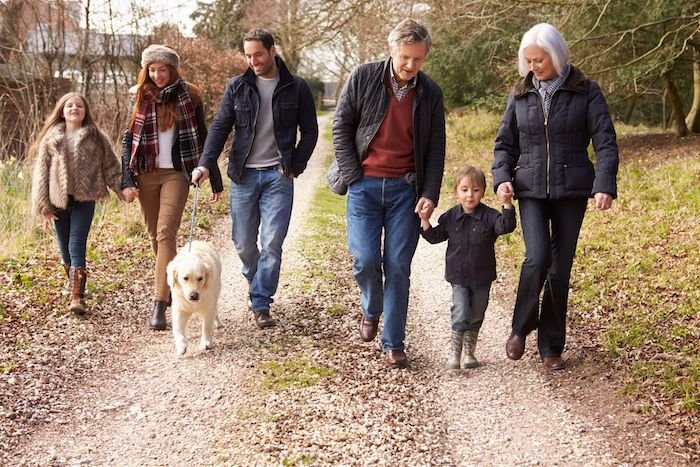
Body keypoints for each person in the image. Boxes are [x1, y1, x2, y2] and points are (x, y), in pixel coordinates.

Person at [492, 23, 618, 370]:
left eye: (540, 60)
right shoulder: (520, 93)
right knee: (537, 257)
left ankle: (551, 345)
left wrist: (604, 184)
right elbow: (504, 145)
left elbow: (604, 141)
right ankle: (520, 327)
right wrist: (502, 178)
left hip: (572, 189)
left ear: (557, 55)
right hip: (530, 189)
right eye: (529, 60)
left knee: (560, 269)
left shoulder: (586, 91)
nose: (534, 66)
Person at [332, 18, 446, 369]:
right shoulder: (364, 76)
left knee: (398, 266)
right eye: (406, 57)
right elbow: (341, 126)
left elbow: (436, 148)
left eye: (418, 59)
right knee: (365, 260)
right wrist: (353, 177)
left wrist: (429, 192)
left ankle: (393, 342)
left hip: (405, 191)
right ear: (392, 50)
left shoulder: (430, 93)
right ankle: (371, 307)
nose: (411, 66)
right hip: (364, 185)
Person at [192, 29, 318, 329]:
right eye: (248, 56)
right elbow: (221, 126)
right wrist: (205, 164)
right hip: (244, 175)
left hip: (278, 175)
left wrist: (296, 165)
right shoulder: (237, 86)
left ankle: (261, 302)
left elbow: (310, 131)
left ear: (272, 51)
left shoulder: (296, 87)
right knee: (243, 244)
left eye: (258, 54)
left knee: (272, 243)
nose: (253, 61)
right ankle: (256, 282)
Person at [121, 44, 224, 330]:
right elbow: (127, 139)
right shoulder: (139, 95)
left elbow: (204, 137)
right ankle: (173, 279)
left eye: (162, 69)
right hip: (145, 173)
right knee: (156, 237)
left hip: (177, 174)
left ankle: (159, 303)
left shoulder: (190, 95)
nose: (157, 75)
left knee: (166, 234)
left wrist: (214, 177)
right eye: (151, 70)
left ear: (173, 69)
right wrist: (126, 179)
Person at [30, 92, 124, 314]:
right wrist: (43, 206)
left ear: (85, 111)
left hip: (85, 199)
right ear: (62, 111)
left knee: (76, 243)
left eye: (79, 106)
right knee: (64, 250)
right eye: (69, 105)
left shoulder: (96, 137)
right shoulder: (52, 138)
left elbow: (110, 166)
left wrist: (123, 189)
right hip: (58, 201)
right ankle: (73, 283)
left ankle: (76, 297)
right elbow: (41, 172)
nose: (74, 109)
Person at [420, 166, 516, 369]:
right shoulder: (450, 217)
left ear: (483, 191)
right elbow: (435, 237)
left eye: (475, 190)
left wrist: (506, 204)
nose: (470, 195)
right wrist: (425, 220)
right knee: (461, 310)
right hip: (458, 276)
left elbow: (505, 226)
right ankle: (455, 354)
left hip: (482, 276)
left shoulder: (490, 217)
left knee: (477, 313)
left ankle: (469, 354)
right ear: (456, 191)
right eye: (464, 190)